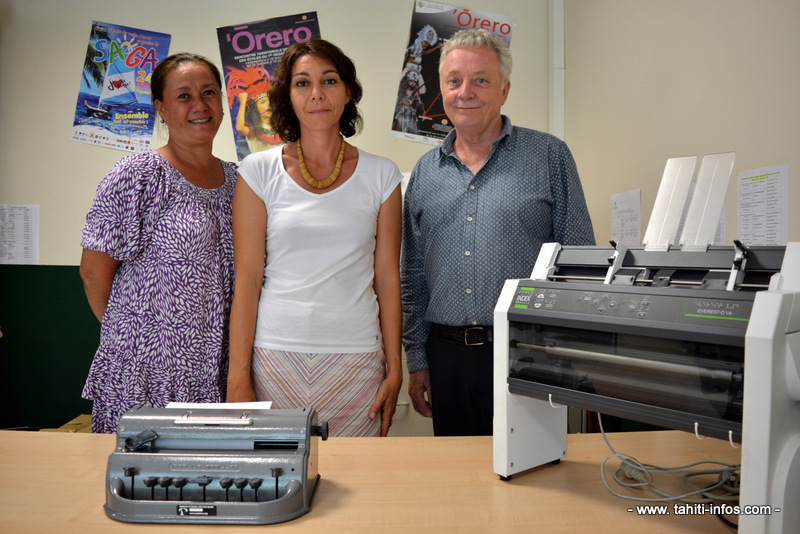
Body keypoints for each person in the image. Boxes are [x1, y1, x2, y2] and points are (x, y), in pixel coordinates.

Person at [401, 29, 595, 436]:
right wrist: (417, 359)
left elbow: (578, 262)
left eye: (481, 80)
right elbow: (413, 278)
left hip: (529, 352)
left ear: (504, 90)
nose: (465, 92)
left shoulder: (548, 156)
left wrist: (570, 352)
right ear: (441, 90)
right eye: (454, 81)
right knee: (459, 483)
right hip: (447, 356)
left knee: (532, 478)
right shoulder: (423, 173)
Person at [227, 40, 403, 437]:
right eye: (302, 83)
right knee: (277, 488)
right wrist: (238, 379)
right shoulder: (257, 172)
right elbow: (248, 280)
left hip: (357, 359)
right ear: (288, 96)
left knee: (359, 486)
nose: (317, 94)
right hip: (274, 356)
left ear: (348, 92)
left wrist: (396, 369)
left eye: (329, 81)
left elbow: (388, 281)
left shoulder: (383, 175)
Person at [79, 53, 237, 433]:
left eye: (209, 92)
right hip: (146, 380)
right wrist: (140, 344)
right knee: (140, 487)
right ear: (161, 109)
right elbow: (92, 273)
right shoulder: (138, 175)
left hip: (216, 373)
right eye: (183, 96)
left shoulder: (240, 181)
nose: (199, 105)